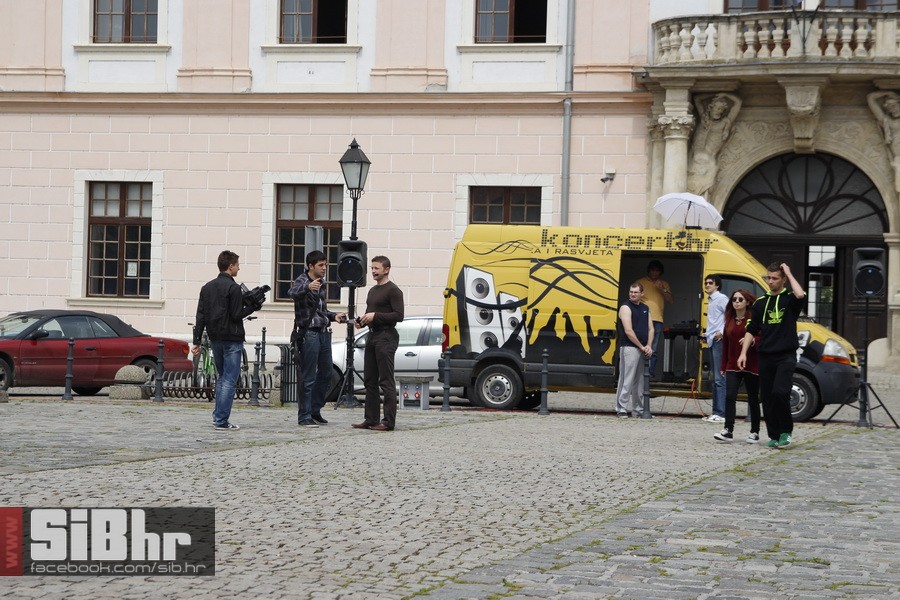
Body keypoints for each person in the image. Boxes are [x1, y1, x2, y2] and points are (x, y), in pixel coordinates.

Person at [738, 262, 806, 449]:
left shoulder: (790, 299)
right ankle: (774, 435)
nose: (770, 281)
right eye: (768, 278)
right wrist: (743, 354)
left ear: (783, 280)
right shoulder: (760, 303)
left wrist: (789, 273)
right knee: (767, 397)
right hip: (766, 355)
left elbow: (800, 295)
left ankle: (785, 432)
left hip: (786, 355)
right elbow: (751, 329)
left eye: (775, 278)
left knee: (780, 392)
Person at [193, 250, 262, 431]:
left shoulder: (207, 287)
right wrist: (253, 307)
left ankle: (218, 416)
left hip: (215, 338)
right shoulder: (233, 288)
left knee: (222, 378)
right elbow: (237, 314)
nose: (239, 268)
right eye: (237, 265)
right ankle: (221, 420)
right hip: (232, 338)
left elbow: (200, 316)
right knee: (229, 380)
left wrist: (196, 341)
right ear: (230, 266)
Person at [289, 250, 348, 428]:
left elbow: (321, 311)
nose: (324, 268)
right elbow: (292, 293)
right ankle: (304, 416)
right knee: (308, 377)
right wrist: (307, 288)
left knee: (326, 373)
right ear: (310, 266)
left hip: (323, 332)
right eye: (321, 265)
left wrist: (334, 316)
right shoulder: (302, 280)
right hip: (309, 334)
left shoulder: (322, 283)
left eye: (325, 265)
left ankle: (315, 410)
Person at [352, 256, 405, 432]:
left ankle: (388, 422)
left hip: (386, 336)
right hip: (372, 335)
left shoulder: (394, 290)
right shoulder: (373, 290)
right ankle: (371, 419)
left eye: (377, 268)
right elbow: (370, 314)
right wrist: (362, 322)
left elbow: (398, 315)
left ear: (386, 269)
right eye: (372, 268)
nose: (373, 271)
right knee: (370, 380)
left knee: (386, 381)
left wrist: (376, 316)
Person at [713, 288, 761, 444]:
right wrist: (723, 365)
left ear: (747, 302)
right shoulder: (730, 320)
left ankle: (755, 431)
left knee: (753, 398)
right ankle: (728, 430)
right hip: (732, 363)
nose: (737, 302)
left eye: (740, 299)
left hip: (751, 363)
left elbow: (762, 336)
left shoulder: (753, 319)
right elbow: (725, 345)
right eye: (734, 299)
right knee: (730, 396)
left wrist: (753, 340)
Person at [688, 92, 742, 198]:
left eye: (721, 109)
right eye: (717, 108)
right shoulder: (704, 118)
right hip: (692, 164)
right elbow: (697, 99)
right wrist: (713, 94)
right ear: (710, 108)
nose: (719, 111)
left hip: (708, 166)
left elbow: (738, 102)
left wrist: (725, 94)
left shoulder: (725, 122)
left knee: (704, 199)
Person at [615, 282, 653, 418]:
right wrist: (642, 347)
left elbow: (651, 329)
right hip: (629, 347)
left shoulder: (645, 308)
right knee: (626, 378)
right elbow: (628, 331)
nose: (633, 294)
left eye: (636, 292)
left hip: (642, 348)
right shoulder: (625, 307)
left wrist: (648, 345)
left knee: (640, 381)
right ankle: (621, 408)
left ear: (642, 294)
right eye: (631, 291)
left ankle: (638, 409)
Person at [636, 259, 673, 379]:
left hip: (657, 319)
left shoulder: (664, 283)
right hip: (642, 318)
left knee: (654, 349)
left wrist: (663, 289)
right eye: (652, 270)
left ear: (660, 272)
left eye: (657, 271)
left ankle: (650, 374)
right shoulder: (640, 282)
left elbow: (670, 301)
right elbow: (633, 299)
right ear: (649, 270)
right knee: (640, 346)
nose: (654, 272)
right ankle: (639, 374)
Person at [703, 274, 728, 423]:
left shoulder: (722, 299)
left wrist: (722, 332)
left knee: (719, 378)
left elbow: (730, 317)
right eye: (706, 283)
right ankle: (716, 412)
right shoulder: (711, 300)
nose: (707, 285)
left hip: (719, 341)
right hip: (712, 340)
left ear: (717, 285)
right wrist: (708, 334)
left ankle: (721, 413)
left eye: (710, 283)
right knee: (715, 379)